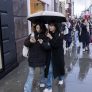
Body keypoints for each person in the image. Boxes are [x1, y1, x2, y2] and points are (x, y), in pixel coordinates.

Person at [24, 24, 50, 92]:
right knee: (30, 75)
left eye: (39, 28)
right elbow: (25, 43)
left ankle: (42, 82)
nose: (37, 29)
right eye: (36, 27)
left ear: (42, 28)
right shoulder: (32, 35)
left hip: (42, 59)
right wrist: (30, 41)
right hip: (32, 58)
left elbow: (48, 47)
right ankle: (27, 90)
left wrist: (42, 43)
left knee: (42, 72)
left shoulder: (45, 36)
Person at [43, 22, 65, 92]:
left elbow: (56, 45)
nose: (50, 27)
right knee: (49, 70)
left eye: (52, 26)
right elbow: (46, 43)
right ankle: (49, 87)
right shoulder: (48, 33)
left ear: (55, 26)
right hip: (50, 55)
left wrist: (51, 37)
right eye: (49, 26)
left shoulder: (60, 34)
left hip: (58, 55)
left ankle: (61, 78)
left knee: (60, 67)